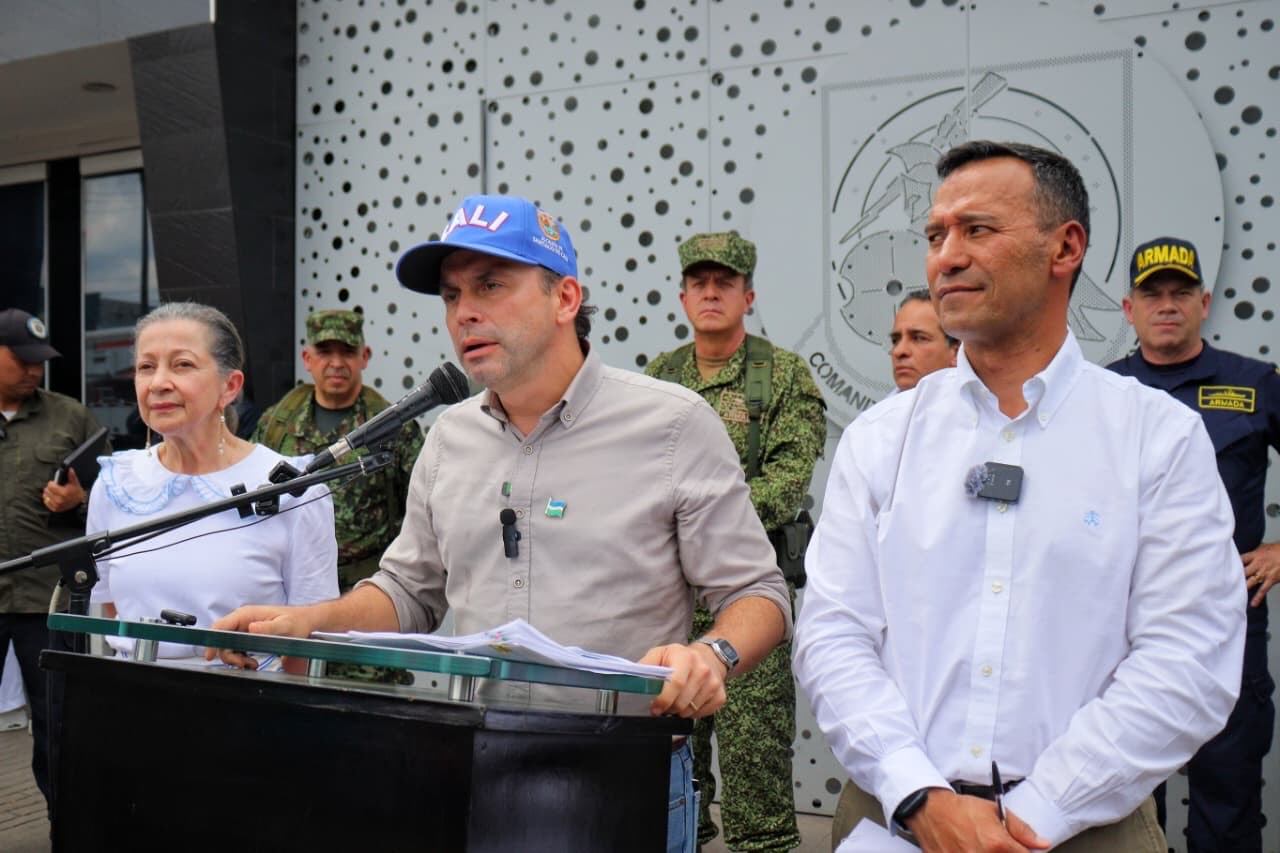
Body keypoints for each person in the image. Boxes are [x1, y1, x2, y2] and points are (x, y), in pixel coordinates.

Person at [209, 194, 791, 853]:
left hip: (625, 773)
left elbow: (760, 596)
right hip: (475, 767)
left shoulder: (673, 425)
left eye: (491, 285)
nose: (465, 312)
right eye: (453, 294)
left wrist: (710, 654)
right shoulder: (447, 436)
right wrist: (308, 621)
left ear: (565, 297)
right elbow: (408, 591)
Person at [794, 141, 1244, 853]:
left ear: (1065, 247)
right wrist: (919, 793)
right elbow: (833, 635)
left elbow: (1187, 658)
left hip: (1085, 828)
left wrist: (1037, 812)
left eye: (977, 229)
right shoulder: (882, 439)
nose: (946, 255)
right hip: (894, 820)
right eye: (936, 235)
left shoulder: (1154, 437)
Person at [645, 231, 826, 852]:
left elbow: (787, 478)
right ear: (683, 296)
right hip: (667, 609)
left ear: (748, 294)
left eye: (724, 283)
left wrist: (694, 519)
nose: (711, 293)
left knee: (757, 789)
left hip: (743, 608)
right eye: (700, 283)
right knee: (668, 782)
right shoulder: (658, 379)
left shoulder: (782, 376)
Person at [1108, 236, 1280, 853]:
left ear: (1205, 302)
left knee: (1227, 798)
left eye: (1182, 292)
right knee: (1122, 798)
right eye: (1152, 294)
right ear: (1129, 309)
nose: (1167, 305)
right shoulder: (1101, 392)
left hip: (1226, 619)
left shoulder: (1256, 383)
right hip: (1120, 627)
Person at [87, 302, 339, 664]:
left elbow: (309, 636)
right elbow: (112, 607)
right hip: (129, 702)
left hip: (249, 705)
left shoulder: (293, 488)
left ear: (230, 386)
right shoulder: (116, 484)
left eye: (182, 365)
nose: (158, 383)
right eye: (146, 367)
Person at [253, 309, 423, 685]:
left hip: (365, 601)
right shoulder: (276, 422)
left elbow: (426, 510)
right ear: (307, 359)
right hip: (293, 598)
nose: (336, 363)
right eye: (325, 351)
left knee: (369, 707)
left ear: (364, 357)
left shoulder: (394, 427)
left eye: (346, 352)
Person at [0, 307, 107, 810]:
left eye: (40, 361)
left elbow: (116, 499)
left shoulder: (71, 417)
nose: (34, 371)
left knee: (57, 724)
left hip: (47, 601)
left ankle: (67, 828)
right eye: (22, 360)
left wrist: (80, 501)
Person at [889, 291, 958, 391]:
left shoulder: (978, 405)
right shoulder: (883, 407)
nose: (899, 351)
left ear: (956, 353)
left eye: (919, 338)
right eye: (895, 341)